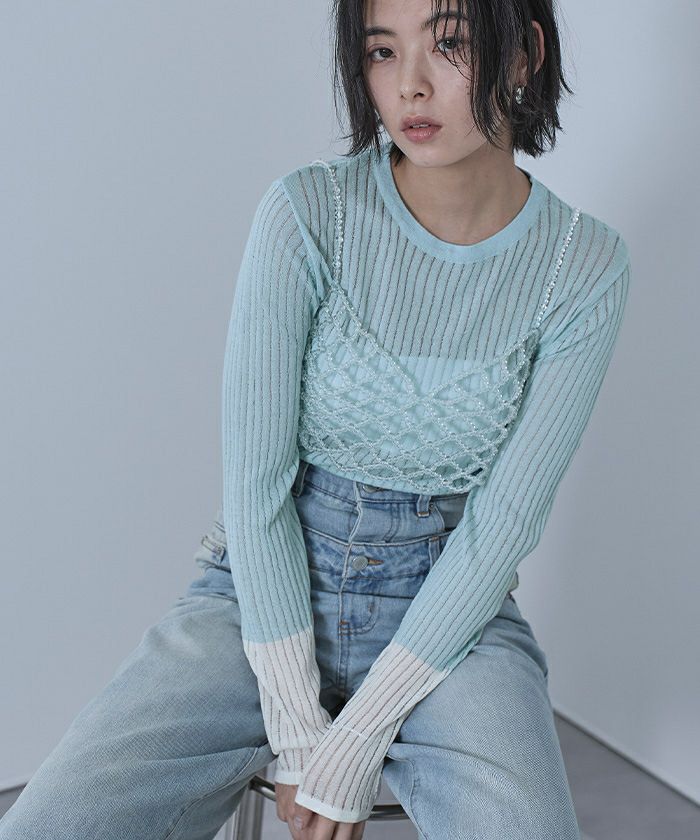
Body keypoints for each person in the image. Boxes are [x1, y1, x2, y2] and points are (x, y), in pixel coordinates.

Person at [0, 1, 630, 839]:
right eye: (381, 51)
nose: (409, 85)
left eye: (450, 44)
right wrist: (300, 730)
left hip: (451, 611)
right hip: (261, 589)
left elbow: (504, 524)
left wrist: (357, 740)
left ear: (523, 56)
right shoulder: (308, 213)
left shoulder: (584, 267)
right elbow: (255, 483)